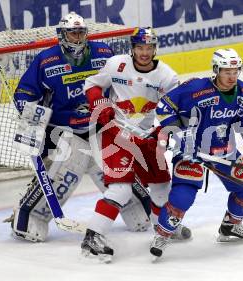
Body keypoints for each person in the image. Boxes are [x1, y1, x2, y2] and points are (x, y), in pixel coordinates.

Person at [5, 12, 151, 242]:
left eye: (81, 32)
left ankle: (138, 209)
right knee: (67, 171)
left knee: (120, 175)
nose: (78, 37)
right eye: (73, 33)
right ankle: (28, 217)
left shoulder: (103, 53)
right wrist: (32, 115)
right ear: (62, 35)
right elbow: (24, 93)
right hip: (62, 130)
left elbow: (120, 85)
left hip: (99, 127)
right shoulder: (46, 60)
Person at [149, 48, 243, 258]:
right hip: (191, 152)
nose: (232, 76)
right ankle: (163, 234)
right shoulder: (195, 89)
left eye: (236, 71)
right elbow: (164, 107)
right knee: (182, 197)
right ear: (216, 70)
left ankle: (230, 226)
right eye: (227, 71)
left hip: (224, 151)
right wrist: (181, 136)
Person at [81, 27, 191, 261]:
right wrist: (101, 103)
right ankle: (92, 238)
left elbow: (174, 108)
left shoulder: (166, 76)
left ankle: (161, 227)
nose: (144, 52)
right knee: (121, 189)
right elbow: (91, 84)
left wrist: (162, 131)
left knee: (162, 186)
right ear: (132, 48)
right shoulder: (116, 64)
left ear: (155, 49)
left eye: (149, 48)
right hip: (117, 135)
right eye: (140, 47)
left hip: (149, 136)